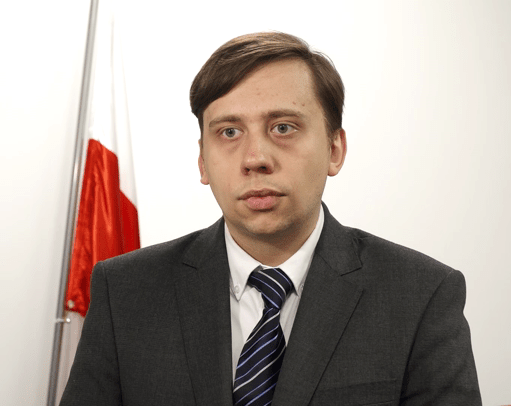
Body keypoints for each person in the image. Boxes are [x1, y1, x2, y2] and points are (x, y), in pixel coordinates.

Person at [59, 32, 481, 405]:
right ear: (203, 161)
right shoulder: (125, 292)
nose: (255, 158)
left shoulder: (422, 296)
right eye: (229, 132)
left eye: (283, 127)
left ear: (335, 149)